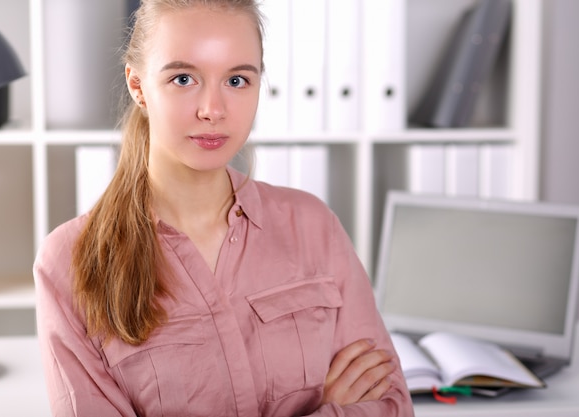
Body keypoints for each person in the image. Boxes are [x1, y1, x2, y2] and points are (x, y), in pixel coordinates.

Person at [33, 0, 414, 416]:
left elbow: (390, 405)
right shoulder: (68, 262)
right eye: (183, 78)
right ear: (138, 86)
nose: (212, 110)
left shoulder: (312, 225)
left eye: (237, 80)